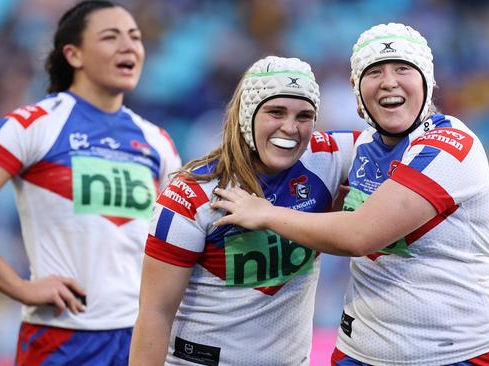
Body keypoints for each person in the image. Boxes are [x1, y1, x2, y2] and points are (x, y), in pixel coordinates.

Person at [212, 23, 489, 366]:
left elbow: (359, 235)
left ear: (427, 84)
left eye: (402, 68)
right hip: (360, 352)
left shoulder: (450, 146)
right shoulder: (362, 146)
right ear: (357, 94)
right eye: (374, 72)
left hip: (457, 354)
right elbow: (286, 147)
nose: (389, 81)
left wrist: (265, 213)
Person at [0, 1, 181, 365]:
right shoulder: (35, 124)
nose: (129, 47)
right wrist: (18, 286)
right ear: (73, 54)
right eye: (111, 37)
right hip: (61, 342)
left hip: (140, 339)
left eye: (135, 38)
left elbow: (174, 239)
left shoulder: (157, 140)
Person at [129, 55, 358, 365]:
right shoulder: (192, 194)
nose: (290, 128)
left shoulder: (327, 159)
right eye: (276, 112)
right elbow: (155, 313)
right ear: (247, 114)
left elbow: (403, 144)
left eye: (304, 115)